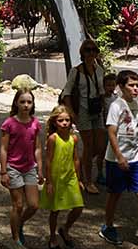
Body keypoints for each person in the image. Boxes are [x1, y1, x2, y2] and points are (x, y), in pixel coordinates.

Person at [100, 71, 138, 248]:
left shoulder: (137, 105)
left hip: (135, 158)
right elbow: (111, 132)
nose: (135, 89)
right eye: (131, 85)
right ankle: (108, 227)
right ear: (121, 86)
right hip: (116, 159)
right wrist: (119, 156)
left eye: (137, 85)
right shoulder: (116, 106)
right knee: (115, 194)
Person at [61, 40, 110, 194]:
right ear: (82, 53)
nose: (91, 53)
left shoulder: (99, 70)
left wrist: (106, 109)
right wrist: (72, 113)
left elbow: (102, 92)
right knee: (88, 146)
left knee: (100, 145)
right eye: (88, 50)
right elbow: (66, 93)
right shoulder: (76, 72)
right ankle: (88, 181)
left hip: (97, 111)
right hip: (83, 111)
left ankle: (79, 167)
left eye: (94, 50)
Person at [0, 89, 42, 247]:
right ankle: (16, 238)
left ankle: (19, 223)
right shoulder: (9, 123)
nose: (26, 105)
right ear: (16, 103)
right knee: (18, 205)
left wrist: (40, 169)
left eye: (29, 102)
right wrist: (3, 172)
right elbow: (3, 149)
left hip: (29, 168)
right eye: (22, 102)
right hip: (13, 168)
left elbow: (37, 148)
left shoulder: (35, 123)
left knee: (33, 205)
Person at [41, 105, 85, 249]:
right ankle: (52, 237)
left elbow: (76, 159)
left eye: (67, 120)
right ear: (55, 122)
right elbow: (48, 161)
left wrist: (79, 179)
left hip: (70, 176)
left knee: (78, 206)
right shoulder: (53, 138)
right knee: (55, 210)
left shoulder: (74, 138)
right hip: (56, 179)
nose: (64, 123)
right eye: (60, 120)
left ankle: (65, 229)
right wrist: (49, 182)